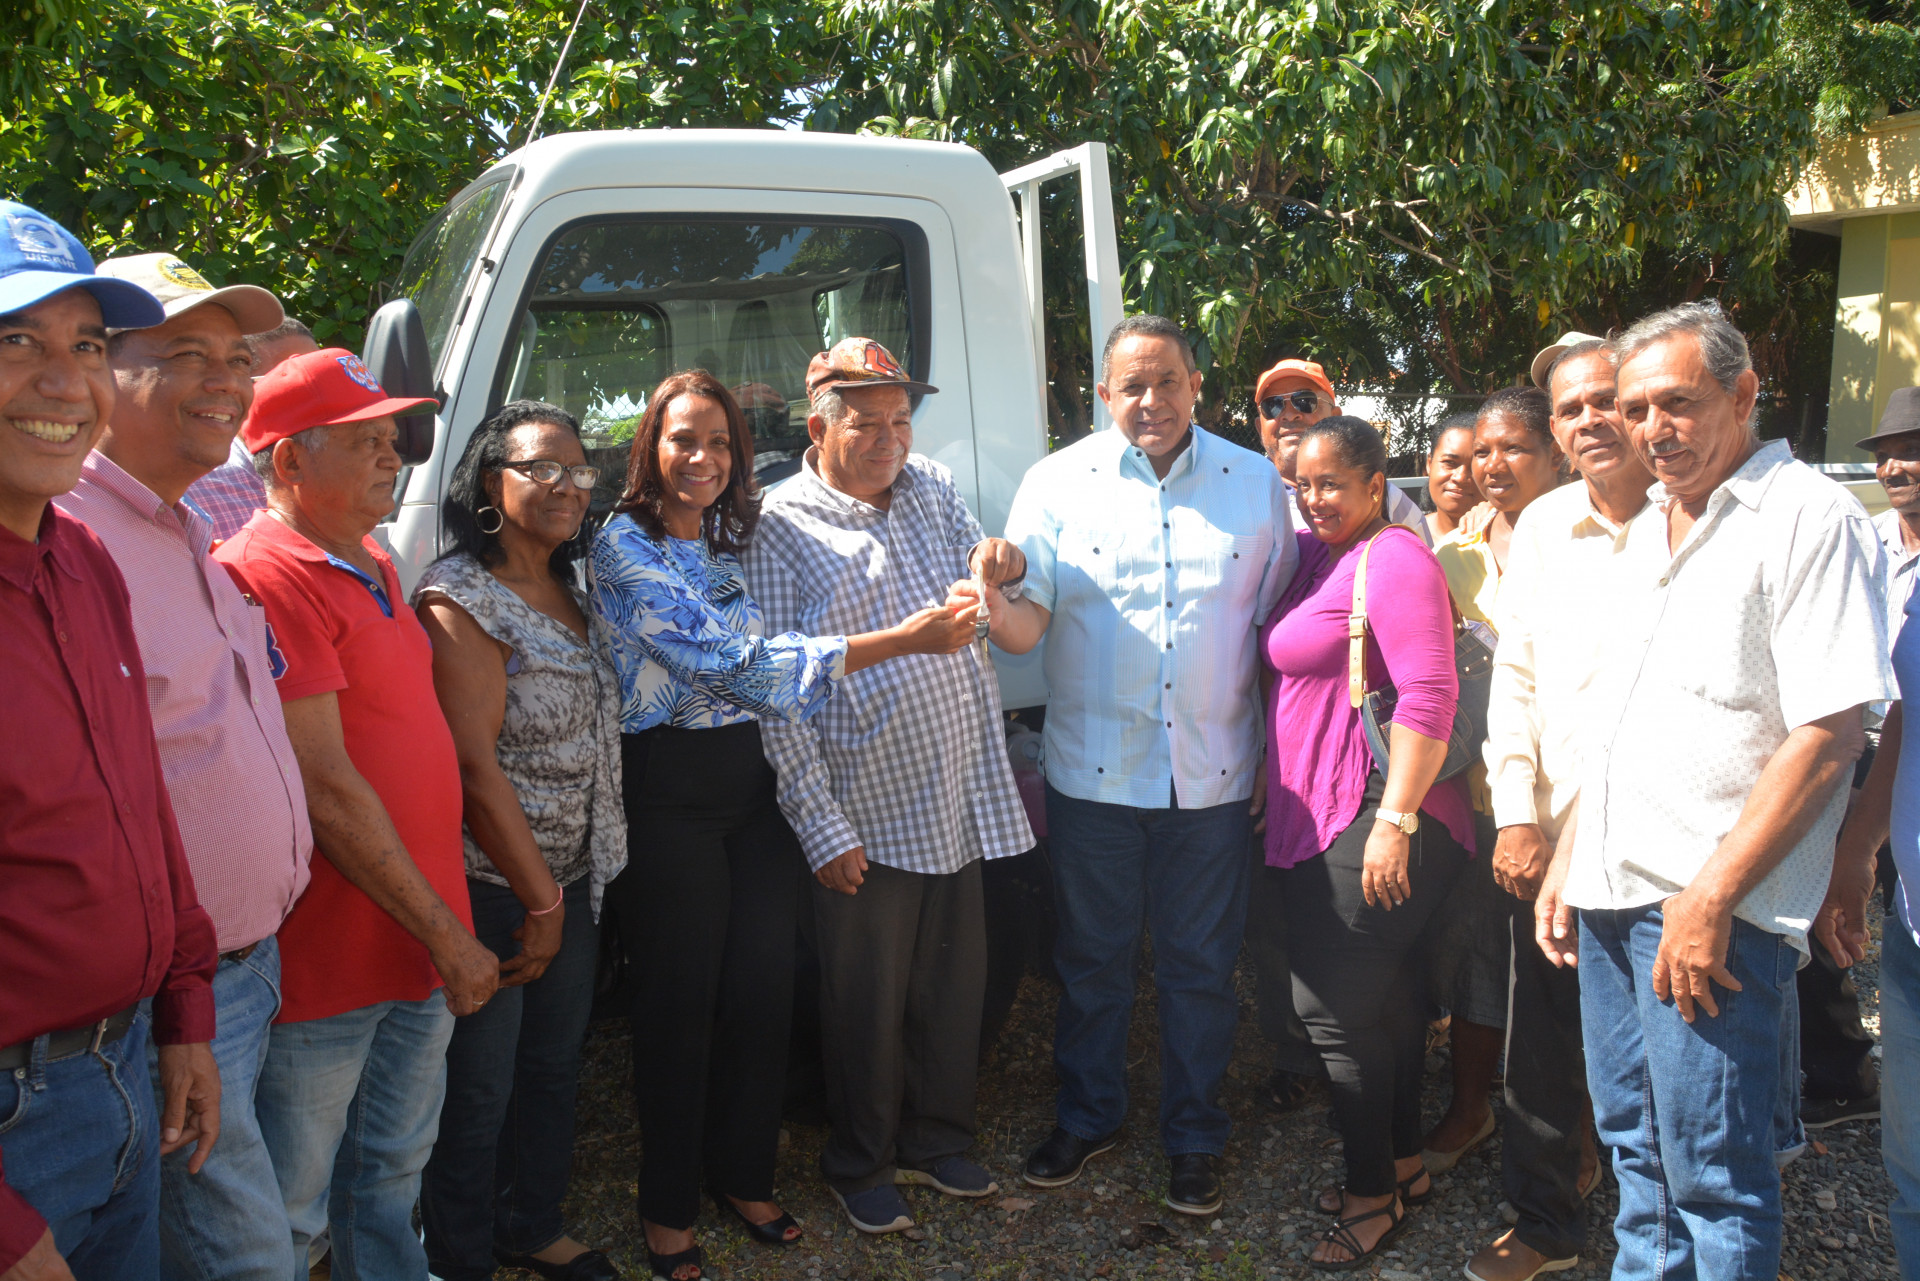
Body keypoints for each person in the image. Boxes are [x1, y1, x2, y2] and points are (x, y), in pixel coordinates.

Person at [589, 370, 979, 1281]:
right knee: (680, 1002)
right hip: (671, 792)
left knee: (762, 991)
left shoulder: (726, 539)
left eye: (721, 442)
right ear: (649, 446)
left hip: (749, 789)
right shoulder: (622, 545)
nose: (704, 458)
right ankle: (667, 1207)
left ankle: (744, 1175)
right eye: (685, 440)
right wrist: (904, 639)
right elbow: (746, 669)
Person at [1535, 302, 1892, 1280]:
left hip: (1710, 907)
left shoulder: (1806, 517)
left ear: (1743, 394)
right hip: (1612, 893)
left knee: (1716, 1179)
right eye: (1636, 408)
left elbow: (1829, 731)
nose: (1653, 428)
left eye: (1678, 403)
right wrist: (1571, 854)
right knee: (1640, 1160)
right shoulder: (1650, 524)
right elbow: (1616, 717)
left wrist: (1711, 896)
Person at [991, 315, 1296, 1217]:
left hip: (1214, 777)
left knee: (1201, 967)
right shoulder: (1055, 483)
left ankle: (1195, 1134)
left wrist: (1273, 760)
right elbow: (1025, 625)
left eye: (1167, 381)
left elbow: (1276, 634)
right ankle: (1088, 1115)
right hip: (1093, 776)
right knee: (1093, 960)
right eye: (1132, 385)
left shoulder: (1255, 485)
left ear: (1197, 384)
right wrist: (988, 600)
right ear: (1103, 394)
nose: (1151, 401)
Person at [215, 348, 501, 1279]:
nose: (394, 454)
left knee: (387, 1182)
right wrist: (448, 933)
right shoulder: (262, 571)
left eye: (391, 435)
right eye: (363, 439)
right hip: (331, 961)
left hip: (414, 944)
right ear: (289, 460)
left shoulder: (370, 554)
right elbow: (328, 789)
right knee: (295, 1212)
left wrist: (440, 932)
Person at [54, 251, 311, 1281]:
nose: (225, 380)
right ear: (101, 373)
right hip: (166, 1004)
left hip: (243, 971)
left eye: (237, 358)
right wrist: (178, 1000)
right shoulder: (67, 538)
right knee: (249, 1260)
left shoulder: (182, 523)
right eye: (185, 354)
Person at [742, 338, 1034, 1235]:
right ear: (818, 427)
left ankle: (937, 1138)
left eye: (901, 419)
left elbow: (982, 568)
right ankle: (859, 1159)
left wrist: (1002, 561)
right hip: (864, 801)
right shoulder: (780, 522)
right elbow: (776, 685)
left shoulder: (931, 484)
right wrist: (819, 824)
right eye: (867, 423)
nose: (890, 439)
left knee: (952, 981)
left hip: (957, 785)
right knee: (864, 1000)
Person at [0, 202, 219, 1280]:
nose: (64, 381)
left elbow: (141, 804)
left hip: (124, 1071)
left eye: (86, 346)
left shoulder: (84, 559)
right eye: (16, 342)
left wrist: (182, 1013)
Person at [414, 401, 628, 1281]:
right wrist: (538, 902)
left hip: (573, 879)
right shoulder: (460, 597)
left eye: (578, 470)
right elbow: (472, 767)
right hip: (494, 887)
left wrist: (565, 893)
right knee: (478, 1089)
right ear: (488, 481)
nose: (566, 485)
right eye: (541, 467)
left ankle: (530, 1224)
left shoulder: (575, 586)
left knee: (550, 1068)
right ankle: (457, 1256)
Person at [1258, 415, 1474, 1269]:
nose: (1314, 499)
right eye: (1303, 485)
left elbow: (1430, 691)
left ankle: (1369, 1195)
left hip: (1379, 806)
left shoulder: (1394, 558)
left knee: (1332, 1009)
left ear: (1376, 483)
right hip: (1338, 804)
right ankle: (1403, 1166)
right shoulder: (1326, 555)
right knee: (1382, 1002)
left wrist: (1395, 819)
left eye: (1332, 484)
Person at [1464, 335, 1653, 1281]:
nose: (1588, 419)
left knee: (1664, 1056)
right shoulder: (1544, 526)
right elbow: (1517, 678)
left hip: (1659, 844)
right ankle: (1544, 1223)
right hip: (1545, 844)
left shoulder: (1690, 518)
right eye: (1569, 408)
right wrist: (1514, 812)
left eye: (1605, 399)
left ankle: (1690, 1236)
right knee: (1538, 1044)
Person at [1423, 385, 1564, 1176]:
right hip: (1488, 802)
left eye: (1513, 447)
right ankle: (1471, 1107)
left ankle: (1571, 1133)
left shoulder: (1596, 540)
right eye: (1481, 450)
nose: (1492, 464)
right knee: (1482, 958)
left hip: (1571, 803)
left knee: (1564, 972)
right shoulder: (1454, 557)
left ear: (1555, 452)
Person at [1254, 356, 1428, 540]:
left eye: (1304, 401)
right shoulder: (1242, 494)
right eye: (1272, 405)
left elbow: (1422, 555)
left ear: (1334, 416)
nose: (1289, 415)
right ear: (1259, 427)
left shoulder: (1383, 498)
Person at [183, 314, 318, 541]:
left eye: (324, 377)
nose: (318, 397)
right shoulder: (201, 486)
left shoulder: (343, 467)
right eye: (291, 383)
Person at [1424, 412, 1482, 542]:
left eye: (1474, 466)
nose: (1460, 478)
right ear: (1429, 464)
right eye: (1450, 463)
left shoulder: (1508, 539)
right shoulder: (1407, 535)